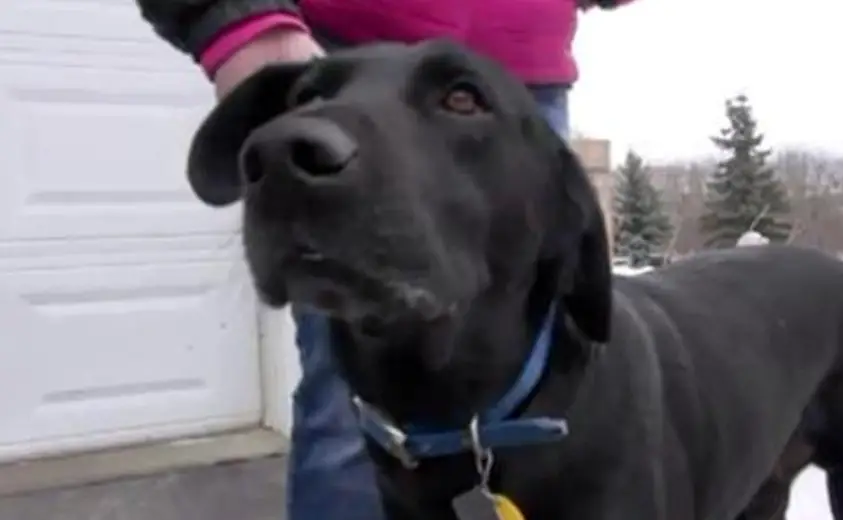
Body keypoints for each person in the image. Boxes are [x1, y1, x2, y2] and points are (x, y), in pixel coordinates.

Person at [133, 1, 637, 518]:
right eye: (308, 101)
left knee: (573, 397)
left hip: (527, 61)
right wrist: (241, 22)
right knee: (353, 417)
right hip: (339, 31)